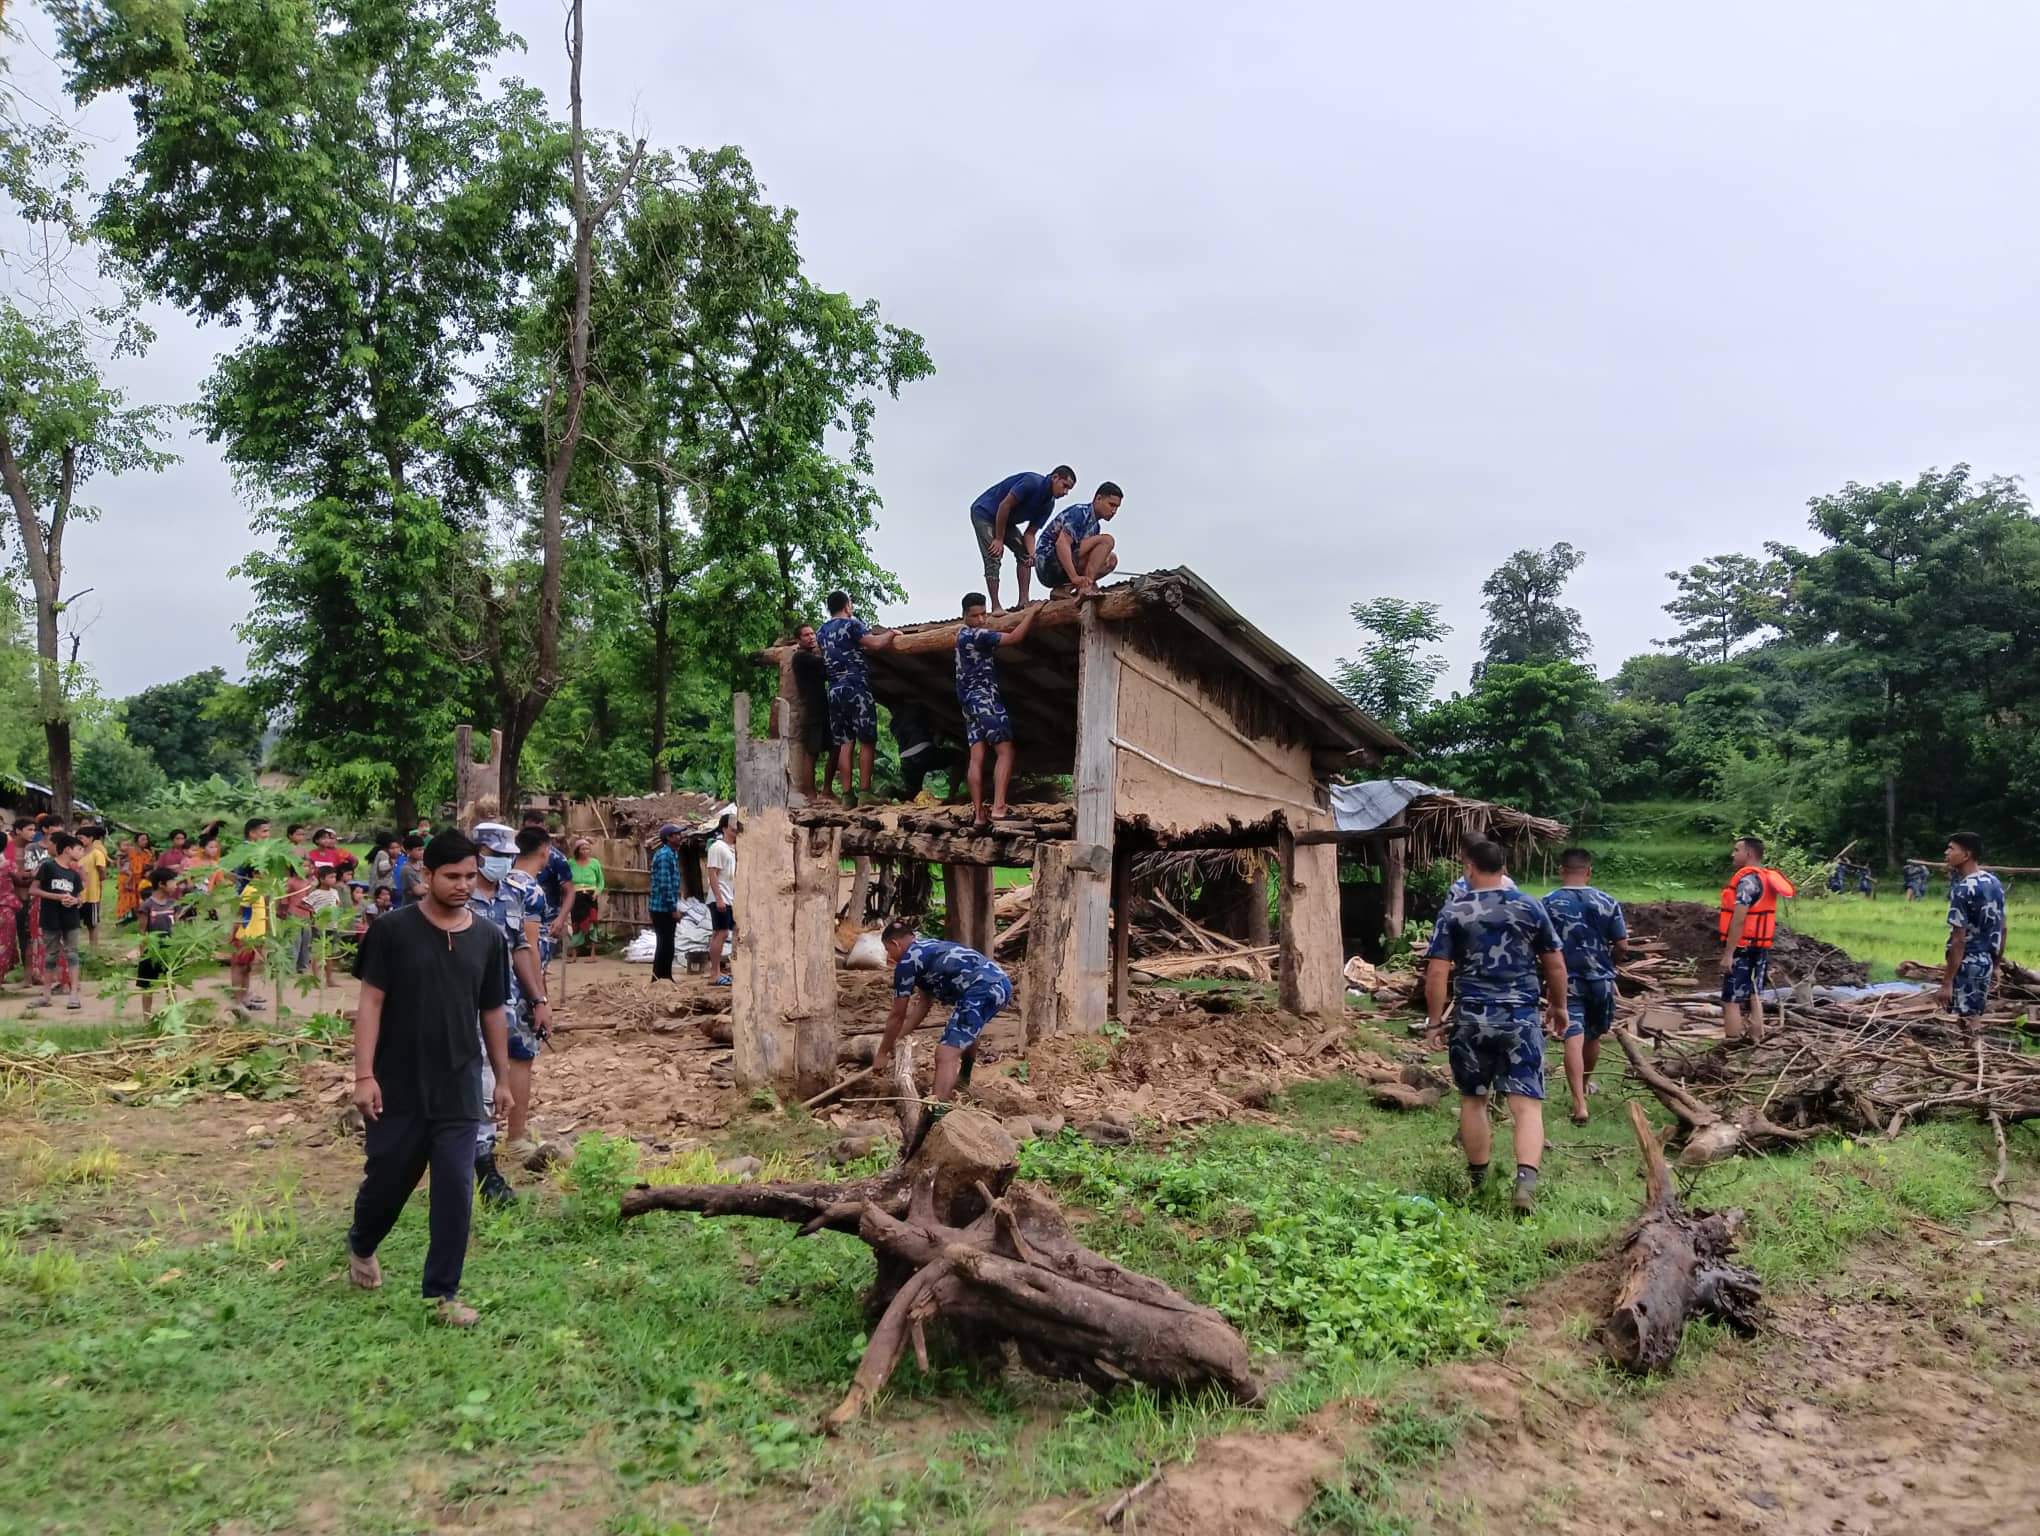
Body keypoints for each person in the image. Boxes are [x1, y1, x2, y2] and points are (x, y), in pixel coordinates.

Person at [345, 830, 515, 1327]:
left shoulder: (487, 937)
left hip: (459, 1083)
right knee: (390, 1177)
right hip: (396, 1081)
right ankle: (362, 1242)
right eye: (452, 876)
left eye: (469, 875)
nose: (464, 885)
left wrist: (501, 1079)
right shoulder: (392, 932)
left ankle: (443, 1295)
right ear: (426, 875)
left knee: (456, 1186)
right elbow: (370, 1005)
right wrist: (363, 1076)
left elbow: (493, 1013)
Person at [1423, 840, 1567, 1214]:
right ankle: (1525, 1184)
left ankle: (1479, 1181)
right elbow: (1554, 964)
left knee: (1474, 1100)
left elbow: (1438, 971)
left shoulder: (1455, 910)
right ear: (1503, 868)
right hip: (1519, 1017)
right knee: (1527, 1105)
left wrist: (1435, 1021)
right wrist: (1559, 1006)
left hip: (1471, 1018)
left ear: (1470, 867)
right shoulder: (1529, 906)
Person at [468, 823, 550, 1187]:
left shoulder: (512, 896)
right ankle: (473, 1150)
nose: (501, 863)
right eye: (494, 856)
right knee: (475, 1070)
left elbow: (521, 949)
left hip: (508, 999)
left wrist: (539, 999)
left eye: (506, 857)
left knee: (511, 1063)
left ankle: (505, 1142)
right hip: (465, 1003)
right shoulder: (459, 896)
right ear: (478, 856)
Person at [873, 917, 1013, 1122]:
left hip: (981, 989)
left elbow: (897, 1013)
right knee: (965, 1029)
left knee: (945, 1053)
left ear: (896, 944)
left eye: (888, 950)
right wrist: (900, 1038)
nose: (889, 956)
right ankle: (963, 1080)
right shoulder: (927, 948)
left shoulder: (907, 961)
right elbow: (923, 1004)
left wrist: (883, 1052)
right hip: (1000, 984)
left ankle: (934, 1116)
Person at [1541, 849, 1629, 1126]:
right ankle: (1586, 1086)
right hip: (1601, 981)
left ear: (1561, 870)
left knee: (1573, 1038)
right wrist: (1609, 964)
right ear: (1589, 871)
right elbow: (1623, 944)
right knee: (1593, 1036)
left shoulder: (1547, 903)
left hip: (1567, 980)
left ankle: (1579, 1103)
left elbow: (1538, 946)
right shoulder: (1607, 901)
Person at [955, 592, 1043, 825]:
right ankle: (999, 807)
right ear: (965, 615)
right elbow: (1014, 637)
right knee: (1005, 751)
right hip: (985, 699)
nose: (982, 619)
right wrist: (1031, 613)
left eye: (984, 614)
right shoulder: (980, 635)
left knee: (977, 756)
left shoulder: (960, 634)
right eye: (976, 615)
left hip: (968, 703)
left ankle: (978, 815)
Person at [818, 590, 899, 802]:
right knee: (867, 739)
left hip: (834, 690)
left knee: (845, 742)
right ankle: (864, 792)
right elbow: (875, 643)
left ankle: (847, 795)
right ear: (847, 606)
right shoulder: (852, 624)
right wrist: (891, 633)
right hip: (856, 687)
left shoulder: (822, 631)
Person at [1718, 835, 1796, 1046]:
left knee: (1731, 999)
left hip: (1742, 948)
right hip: (1760, 947)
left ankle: (1732, 1043)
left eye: (1736, 850)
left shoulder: (1747, 881)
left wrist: (1728, 953)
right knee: (1754, 994)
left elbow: (1739, 920)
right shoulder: (1766, 878)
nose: (1733, 854)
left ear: (1749, 854)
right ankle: (1756, 1037)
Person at [969, 465, 1075, 612]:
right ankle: (996, 606)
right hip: (985, 514)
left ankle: (1023, 601)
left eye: (1069, 489)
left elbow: (1030, 533)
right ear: (1055, 477)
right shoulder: (1031, 483)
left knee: (1025, 555)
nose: (1065, 492)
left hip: (1007, 521)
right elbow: (1004, 506)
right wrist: (999, 539)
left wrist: (1033, 555)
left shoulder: (1048, 504)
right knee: (993, 554)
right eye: (1064, 486)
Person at [1941, 832, 2007, 1025]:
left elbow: (1958, 940)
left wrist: (1947, 982)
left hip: (1967, 966)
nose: (1946, 853)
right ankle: (1971, 1051)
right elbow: (2003, 929)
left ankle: (1971, 1052)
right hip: (1985, 963)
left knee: (1967, 1021)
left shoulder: (1962, 890)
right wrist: (1996, 965)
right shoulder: (1994, 883)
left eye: (1951, 848)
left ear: (1966, 854)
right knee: (1973, 1016)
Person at [29, 832, 87, 1011]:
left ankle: (74, 995)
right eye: (79, 849)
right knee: (51, 955)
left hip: (71, 918)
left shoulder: (74, 874)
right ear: (68, 850)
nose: (81, 853)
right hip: (51, 917)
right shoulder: (48, 867)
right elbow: (33, 889)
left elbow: (79, 897)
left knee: (72, 954)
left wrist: (75, 901)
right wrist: (56, 896)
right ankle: (46, 995)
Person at [1034, 481, 1122, 597]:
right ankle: (1086, 588)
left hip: (1061, 567)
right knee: (1107, 540)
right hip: (1047, 564)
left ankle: (1064, 588)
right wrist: (1074, 577)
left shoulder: (1095, 526)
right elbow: (1062, 544)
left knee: (1110, 560)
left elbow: (1089, 556)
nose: (1114, 511)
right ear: (1098, 499)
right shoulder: (1080, 513)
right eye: (1111, 505)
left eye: (1117, 507)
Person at [227, 818, 275, 1013]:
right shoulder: (247, 853)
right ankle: (238, 1000)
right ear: (252, 833)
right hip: (245, 912)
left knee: (248, 960)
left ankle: (245, 996)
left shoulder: (256, 852)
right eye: (264, 831)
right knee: (240, 959)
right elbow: (236, 880)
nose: (267, 836)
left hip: (256, 913)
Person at [517, 809, 574, 957]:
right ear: (522, 828)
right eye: (530, 829)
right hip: (516, 920)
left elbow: (569, 890)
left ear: (545, 829)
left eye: (538, 828)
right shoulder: (510, 855)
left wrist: (561, 918)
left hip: (546, 923)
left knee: (538, 965)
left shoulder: (556, 858)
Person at [792, 624, 838, 802]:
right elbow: (824, 662)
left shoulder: (812, 657)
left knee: (835, 748)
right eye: (806, 635)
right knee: (812, 753)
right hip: (811, 710)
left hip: (824, 708)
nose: (811, 637)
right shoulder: (801, 658)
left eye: (812, 634)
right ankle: (810, 793)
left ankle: (827, 790)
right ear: (798, 640)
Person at [136, 869, 185, 1019]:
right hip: (152, 951)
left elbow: (177, 926)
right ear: (161, 885)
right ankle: (146, 1017)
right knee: (147, 986)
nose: (176, 885)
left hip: (169, 950)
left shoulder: (173, 904)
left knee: (170, 984)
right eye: (173, 882)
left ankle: (173, 1014)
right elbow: (142, 931)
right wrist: (143, 953)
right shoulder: (147, 906)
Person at [705, 814, 739, 985]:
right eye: (732, 825)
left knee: (727, 932)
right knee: (721, 932)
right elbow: (712, 874)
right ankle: (714, 974)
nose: (735, 828)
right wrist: (718, 898)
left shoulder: (733, 849)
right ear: (725, 828)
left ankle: (721, 971)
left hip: (730, 898)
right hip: (721, 898)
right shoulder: (718, 847)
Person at [648, 823, 682, 983]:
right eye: (676, 834)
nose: (680, 837)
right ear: (668, 838)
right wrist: (672, 908)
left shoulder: (672, 854)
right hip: (661, 908)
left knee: (668, 943)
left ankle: (664, 977)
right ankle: (658, 978)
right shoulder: (664, 856)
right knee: (665, 943)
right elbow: (664, 884)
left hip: (664, 907)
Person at [305, 864, 346, 986]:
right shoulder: (316, 893)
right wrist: (314, 914)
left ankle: (329, 979)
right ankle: (316, 978)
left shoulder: (334, 892)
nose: (333, 879)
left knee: (330, 953)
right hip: (319, 926)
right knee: (318, 952)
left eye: (334, 877)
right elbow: (305, 904)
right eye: (330, 877)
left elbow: (338, 904)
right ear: (322, 879)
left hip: (332, 926)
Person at [567, 837, 604, 953]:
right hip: (576, 897)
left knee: (593, 923)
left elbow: (601, 881)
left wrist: (598, 892)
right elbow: (566, 880)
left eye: (588, 849)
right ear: (577, 850)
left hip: (591, 896)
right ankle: (574, 954)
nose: (586, 851)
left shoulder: (595, 863)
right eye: (583, 849)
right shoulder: (571, 863)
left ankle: (593, 953)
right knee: (575, 923)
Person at [75, 824, 109, 949]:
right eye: (77, 837)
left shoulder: (97, 853)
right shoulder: (76, 853)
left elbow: (102, 871)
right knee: (74, 924)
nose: (79, 840)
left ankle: (94, 950)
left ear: (91, 838)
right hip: (77, 894)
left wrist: (99, 882)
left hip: (91, 894)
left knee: (92, 924)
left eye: (82, 837)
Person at [116, 830, 152, 924]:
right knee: (126, 898)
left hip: (140, 879)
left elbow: (149, 865)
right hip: (128, 877)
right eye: (143, 839)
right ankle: (124, 918)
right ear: (136, 841)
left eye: (146, 839)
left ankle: (136, 917)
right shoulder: (129, 851)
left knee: (139, 898)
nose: (145, 841)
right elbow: (120, 859)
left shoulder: (147, 853)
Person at [395, 832, 428, 907]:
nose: (422, 852)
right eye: (419, 850)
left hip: (422, 905)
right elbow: (418, 891)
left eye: (423, 849)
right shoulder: (407, 869)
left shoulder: (422, 864)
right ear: (408, 851)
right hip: (411, 906)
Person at [370, 832, 401, 899]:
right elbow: (383, 872)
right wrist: (392, 864)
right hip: (382, 888)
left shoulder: (380, 853)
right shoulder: (383, 854)